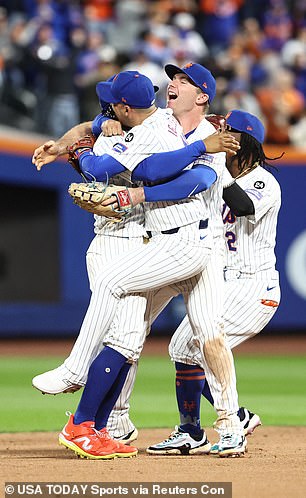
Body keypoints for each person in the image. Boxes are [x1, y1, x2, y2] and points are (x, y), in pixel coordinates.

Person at [33, 65, 245, 459]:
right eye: (172, 79)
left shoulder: (208, 134)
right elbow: (126, 148)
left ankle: (230, 421)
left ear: (201, 95)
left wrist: (136, 192)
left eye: (182, 81)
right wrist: (92, 128)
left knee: (199, 332)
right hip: (156, 242)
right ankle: (110, 422)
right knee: (134, 335)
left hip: (192, 244)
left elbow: (182, 179)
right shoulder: (163, 120)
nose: (173, 84)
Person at [146, 110, 281, 456]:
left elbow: (244, 206)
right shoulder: (212, 175)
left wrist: (217, 166)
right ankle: (192, 431)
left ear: (244, 143)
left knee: (196, 348)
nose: (220, 136)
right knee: (180, 348)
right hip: (221, 282)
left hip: (253, 288)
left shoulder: (263, 180)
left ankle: (233, 422)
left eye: (227, 132)